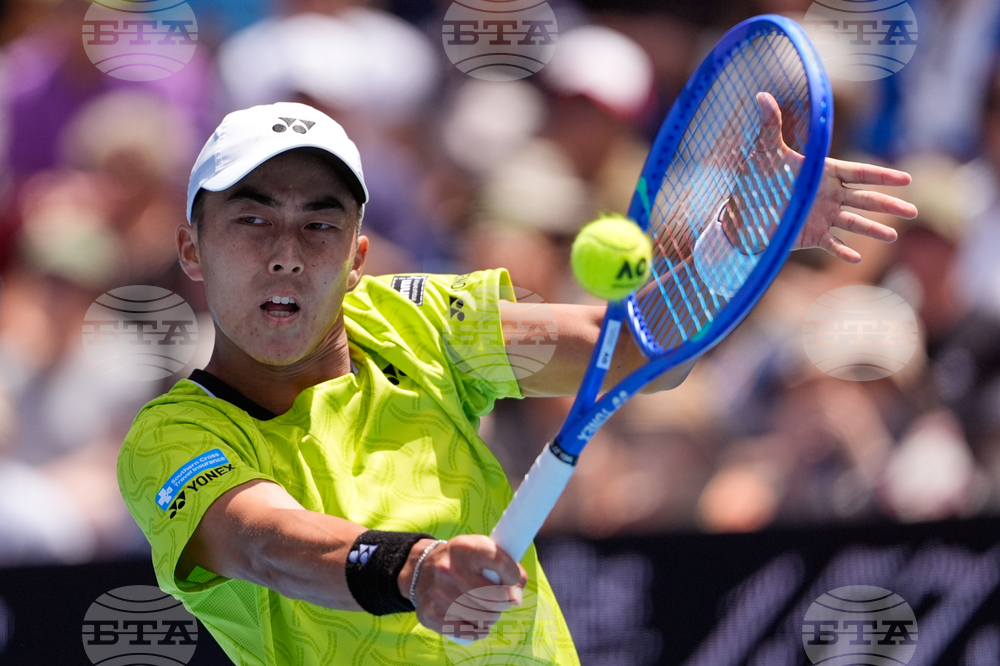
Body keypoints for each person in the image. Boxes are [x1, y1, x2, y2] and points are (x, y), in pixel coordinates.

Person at [116, 101, 916, 665]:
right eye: (251, 219)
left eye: (320, 223)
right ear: (192, 248)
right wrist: (416, 569)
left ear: (358, 259)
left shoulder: (418, 321)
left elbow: (633, 349)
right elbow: (267, 543)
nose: (287, 251)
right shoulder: (174, 439)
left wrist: (740, 241)